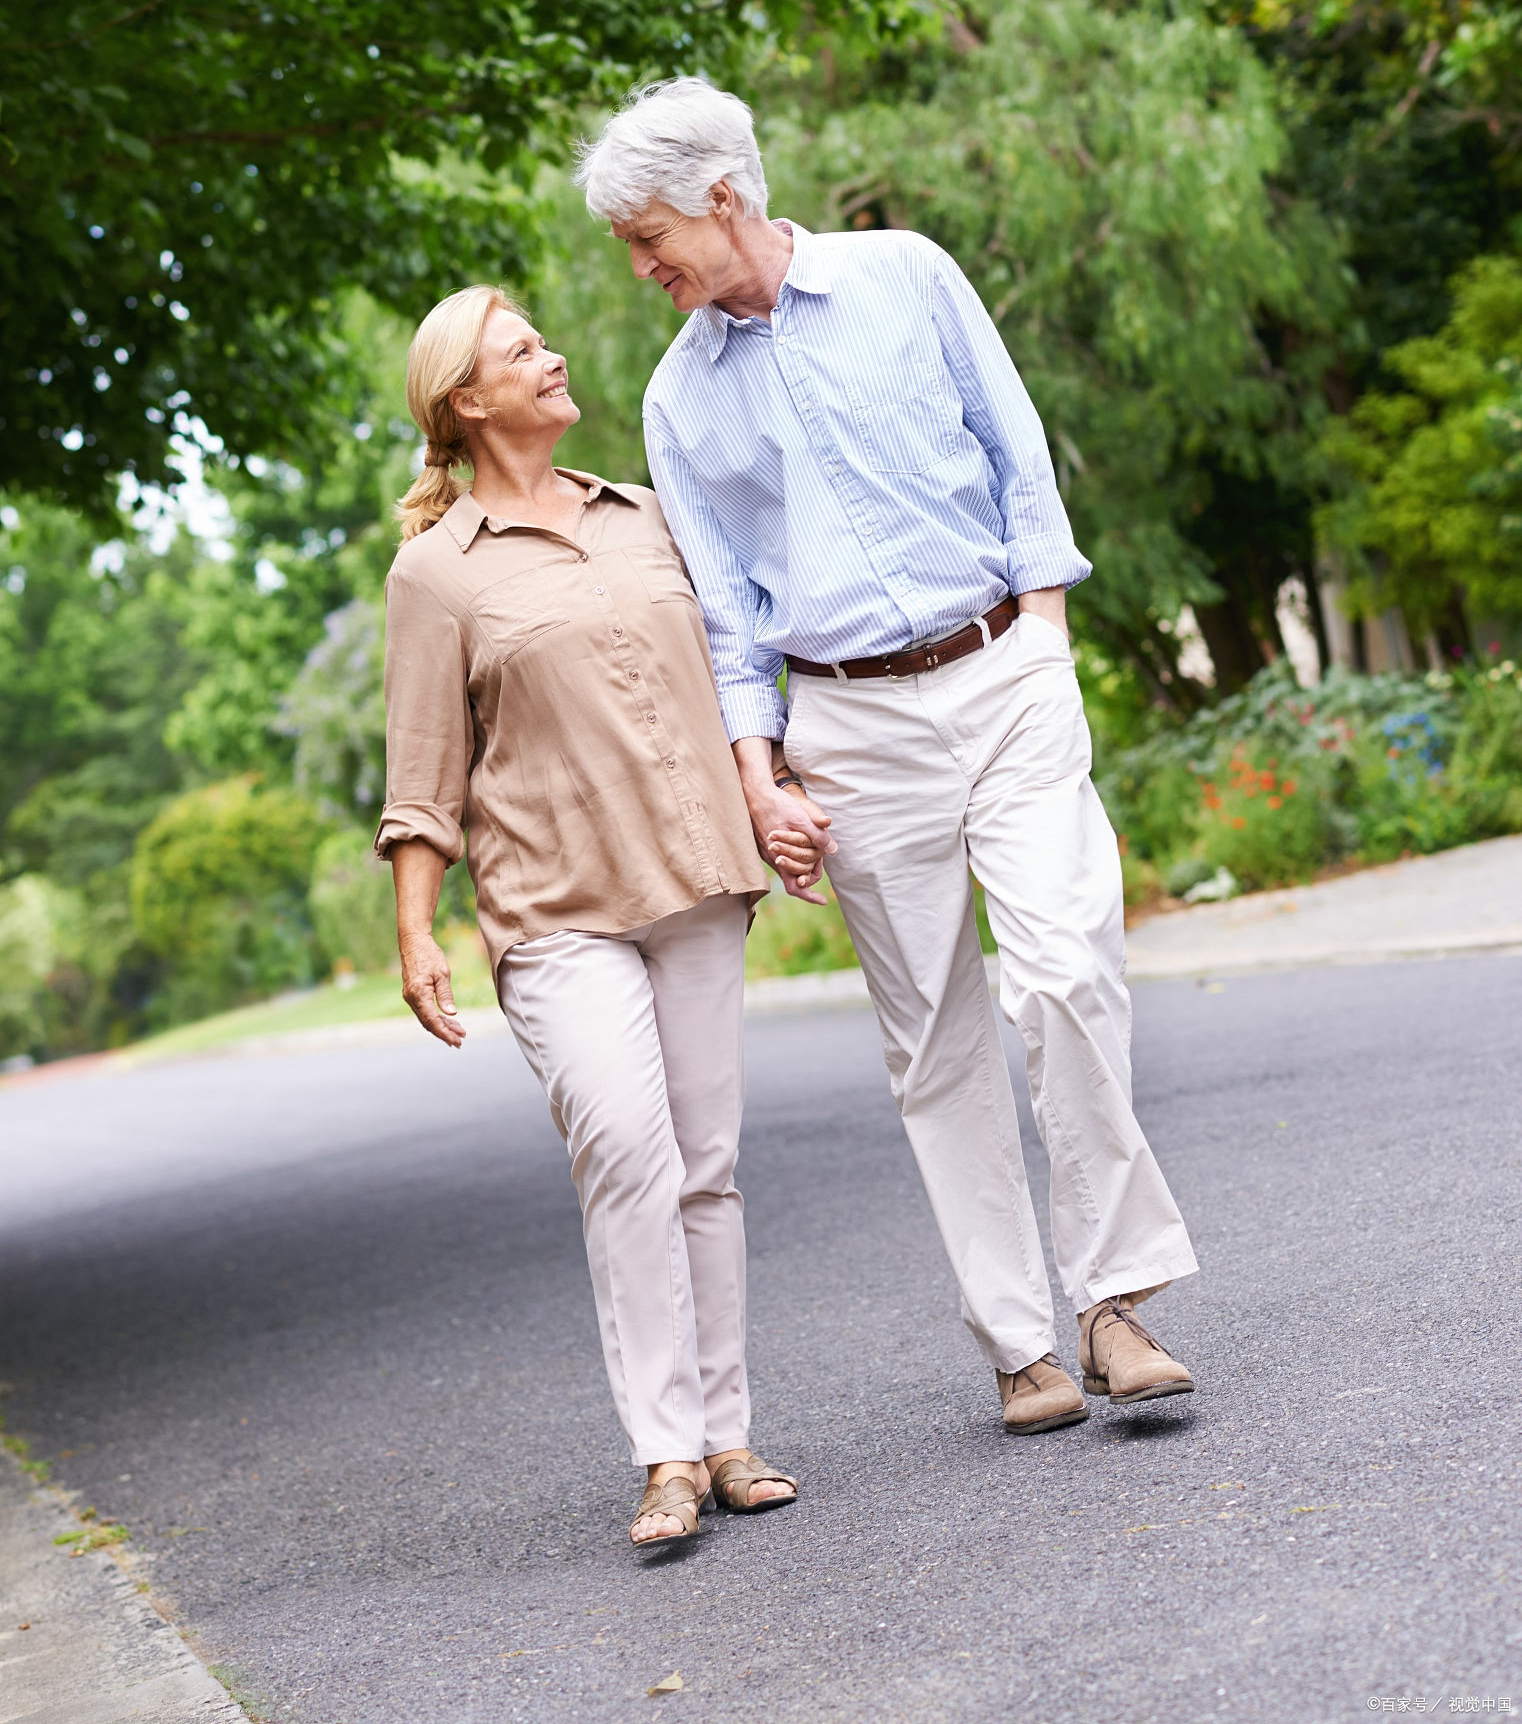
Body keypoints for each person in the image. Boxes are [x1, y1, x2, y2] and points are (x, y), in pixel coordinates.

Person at [574, 78, 1200, 1433]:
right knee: (933, 1042)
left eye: (647, 237)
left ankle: (1115, 1296)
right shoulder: (677, 401)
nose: (640, 268)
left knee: (1066, 967)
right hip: (845, 719)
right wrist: (761, 773)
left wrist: (1039, 619)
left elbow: (1011, 441)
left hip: (1001, 665)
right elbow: (729, 611)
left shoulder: (904, 276)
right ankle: (1021, 1343)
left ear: (721, 197)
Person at [374, 283, 798, 1544]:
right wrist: (416, 929)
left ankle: (725, 1437)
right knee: (628, 1148)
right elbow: (421, 773)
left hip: (692, 874)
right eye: (523, 349)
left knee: (706, 1166)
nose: (552, 355)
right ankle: (662, 1452)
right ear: (468, 398)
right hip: (554, 906)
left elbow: (736, 666)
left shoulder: (649, 518)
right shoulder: (435, 575)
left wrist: (772, 789)